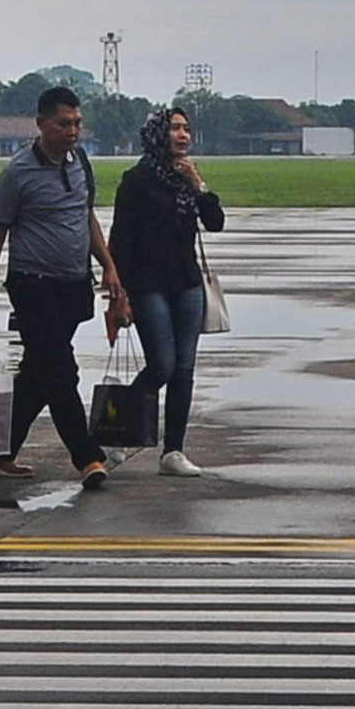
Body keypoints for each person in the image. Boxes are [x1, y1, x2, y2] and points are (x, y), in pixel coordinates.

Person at [0, 86, 126, 489]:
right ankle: (87, 457)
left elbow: (86, 218)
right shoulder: (17, 173)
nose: (72, 131)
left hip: (73, 284)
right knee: (60, 369)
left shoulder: (81, 162)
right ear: (41, 124)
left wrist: (109, 267)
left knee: (40, 372)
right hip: (33, 286)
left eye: (77, 123)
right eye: (63, 124)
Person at [109, 106, 226, 476]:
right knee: (163, 364)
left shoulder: (185, 178)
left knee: (184, 369)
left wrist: (198, 182)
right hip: (147, 285)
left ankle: (173, 451)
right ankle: (116, 428)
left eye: (187, 129)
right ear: (158, 134)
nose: (183, 135)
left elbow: (215, 223)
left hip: (187, 283)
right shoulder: (136, 180)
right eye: (175, 128)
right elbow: (120, 240)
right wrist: (118, 294)